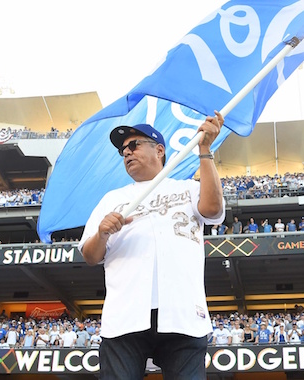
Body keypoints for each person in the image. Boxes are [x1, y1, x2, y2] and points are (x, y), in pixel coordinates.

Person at [79, 112, 225, 380]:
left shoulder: (188, 188)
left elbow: (213, 210)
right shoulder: (113, 198)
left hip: (182, 311)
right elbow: (90, 256)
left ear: (159, 150)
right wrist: (101, 234)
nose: (126, 153)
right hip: (125, 314)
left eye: (134, 145)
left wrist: (205, 150)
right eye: (123, 150)